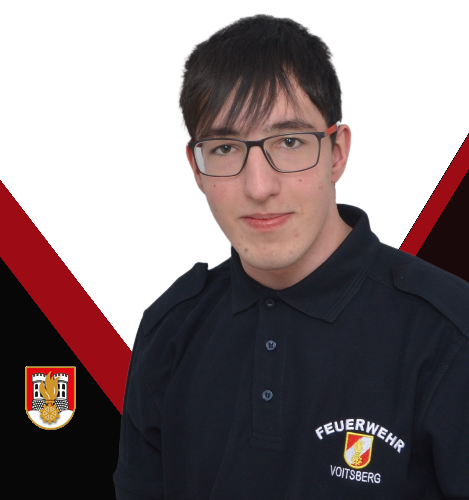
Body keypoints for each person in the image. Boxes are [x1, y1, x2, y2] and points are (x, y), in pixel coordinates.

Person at [113, 14, 469, 500]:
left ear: (337, 152)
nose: (259, 187)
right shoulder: (168, 330)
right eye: (225, 148)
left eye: (289, 141)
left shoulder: (449, 334)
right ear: (196, 168)